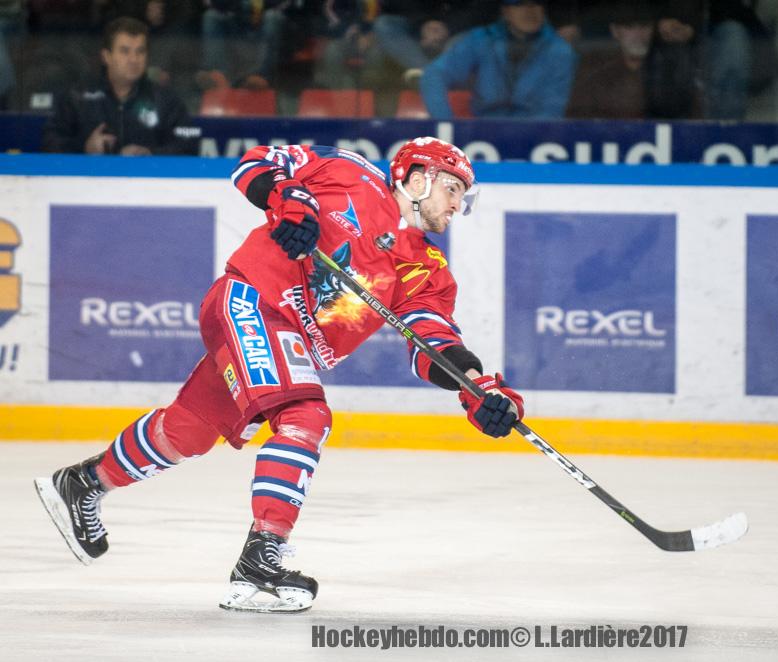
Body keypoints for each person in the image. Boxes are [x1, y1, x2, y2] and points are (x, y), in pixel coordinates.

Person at [34, 137, 526, 614]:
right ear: (419, 178)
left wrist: (476, 388)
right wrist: (291, 202)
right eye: (454, 190)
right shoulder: (347, 171)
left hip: (284, 342)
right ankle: (261, 559)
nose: (457, 206)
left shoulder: (425, 266)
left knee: (191, 429)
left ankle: (83, 484)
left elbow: (432, 342)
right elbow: (255, 163)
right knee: (305, 414)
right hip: (251, 301)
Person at [41, 17, 198, 155]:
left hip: (147, 186)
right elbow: (49, 142)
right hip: (90, 186)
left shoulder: (165, 100)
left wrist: (150, 154)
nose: (134, 59)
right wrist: (84, 148)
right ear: (106, 57)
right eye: (125, 51)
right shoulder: (78, 96)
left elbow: (189, 144)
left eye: (140, 51)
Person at [419, 0, 576, 119]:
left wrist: (527, 138)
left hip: (538, 138)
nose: (529, 11)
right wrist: (446, 124)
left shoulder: (560, 50)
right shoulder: (482, 39)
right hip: (483, 131)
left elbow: (552, 109)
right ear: (506, 11)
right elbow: (434, 74)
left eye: (535, 4)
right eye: (520, 4)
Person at [566, 5, 655, 119]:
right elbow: (577, 117)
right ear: (615, 31)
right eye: (629, 27)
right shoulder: (594, 68)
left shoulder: (665, 69)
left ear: (653, 29)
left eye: (644, 26)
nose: (638, 35)